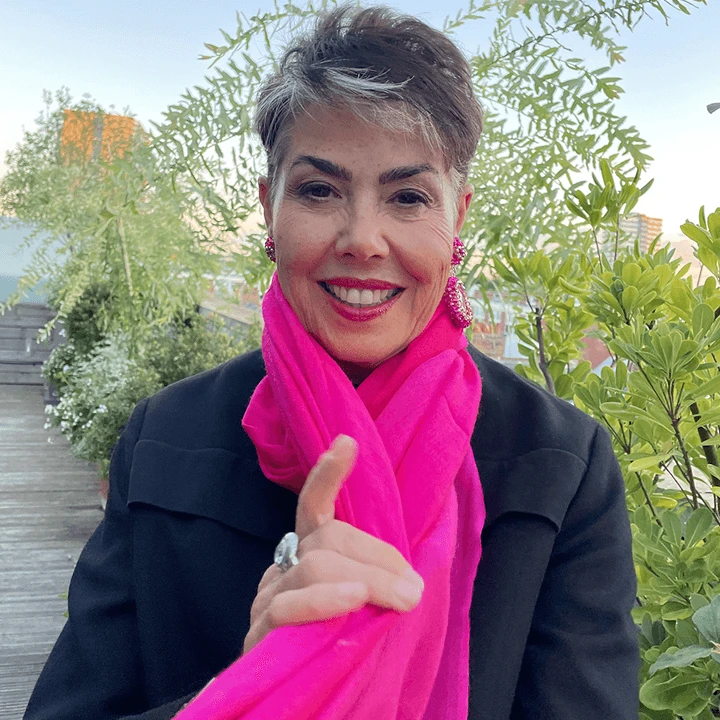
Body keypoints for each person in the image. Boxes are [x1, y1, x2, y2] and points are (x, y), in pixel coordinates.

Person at [23, 6, 638, 720]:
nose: (363, 239)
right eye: (319, 190)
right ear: (269, 209)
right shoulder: (165, 436)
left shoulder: (561, 464)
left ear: (457, 219)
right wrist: (261, 688)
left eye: (408, 197)